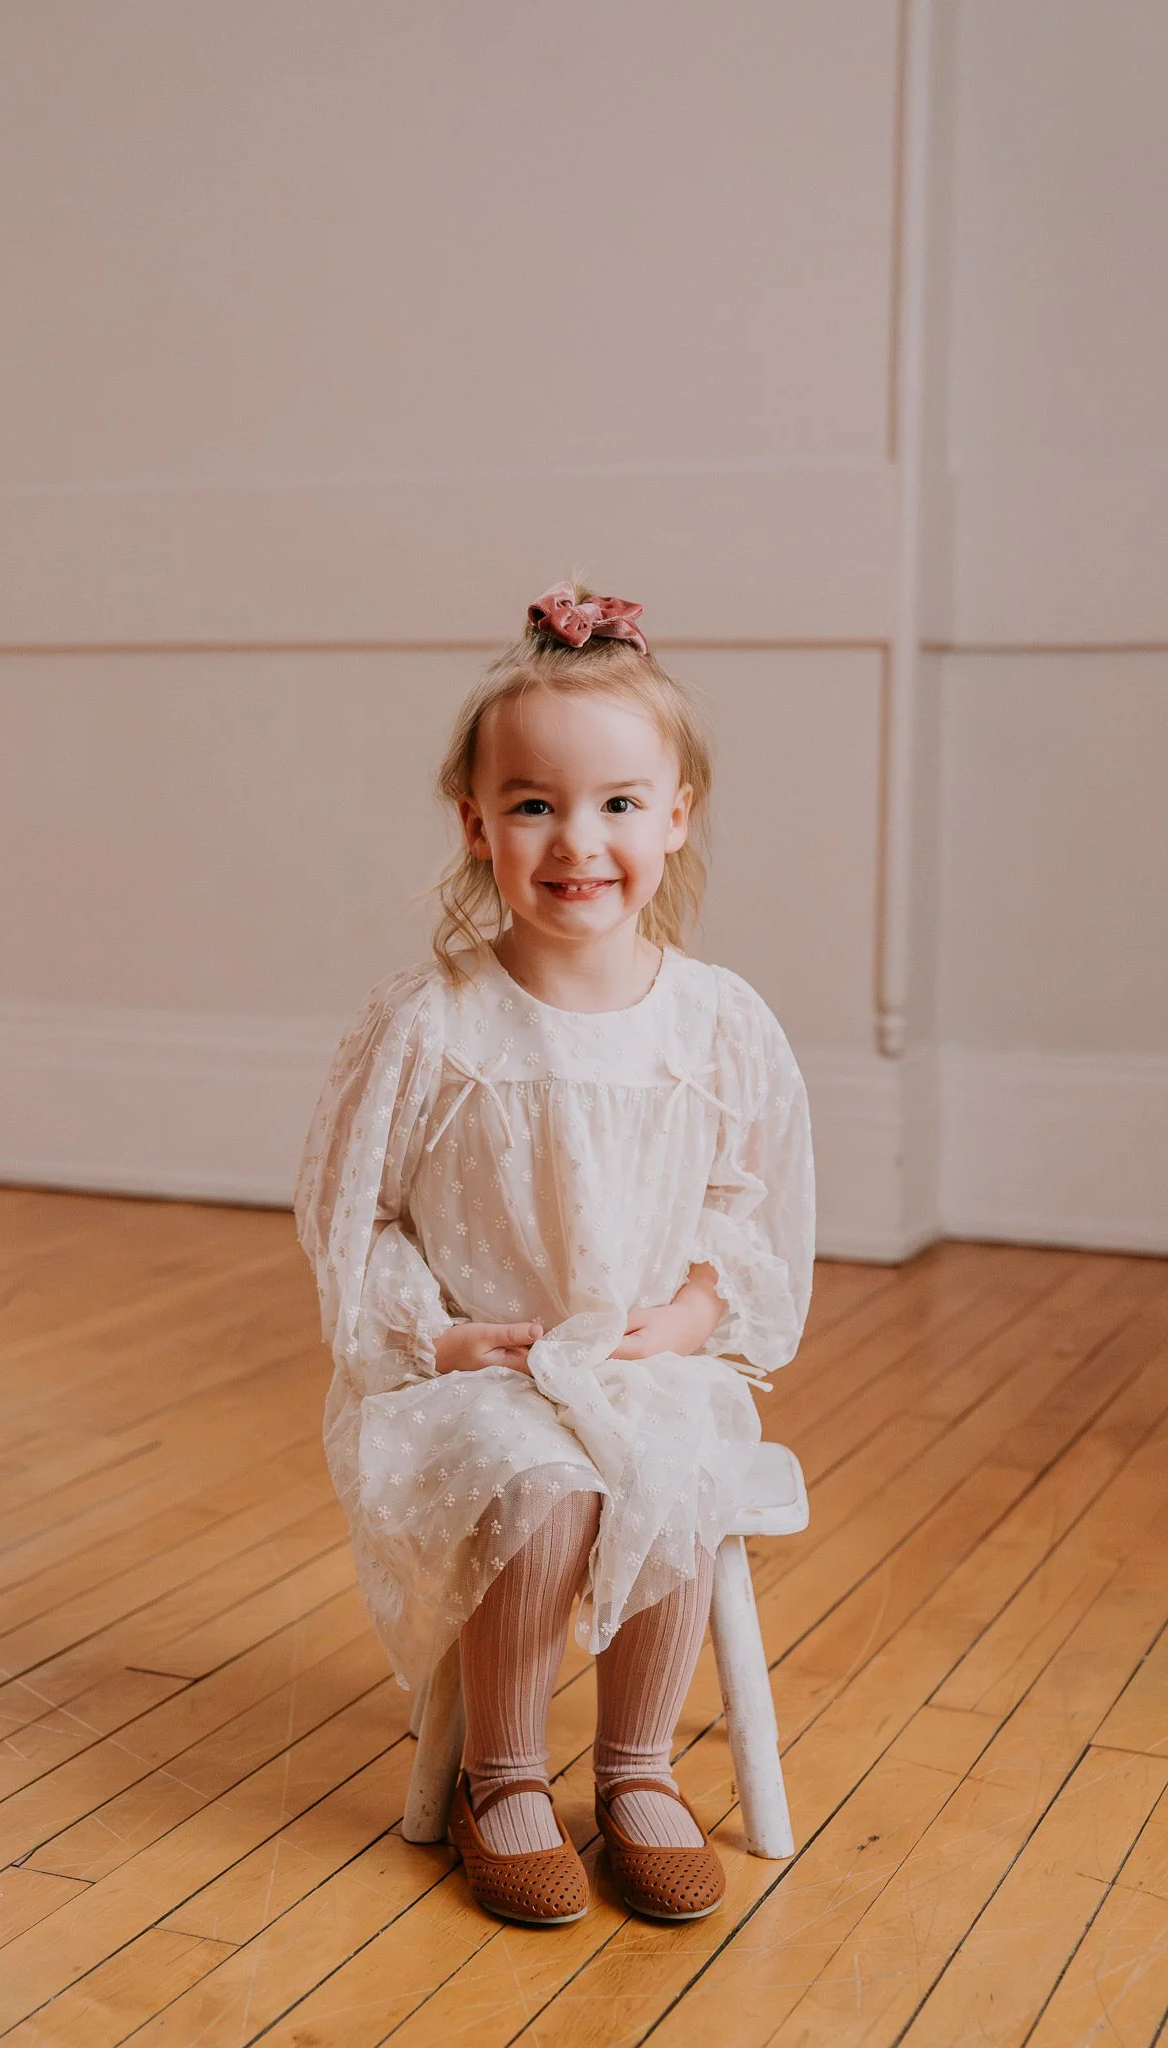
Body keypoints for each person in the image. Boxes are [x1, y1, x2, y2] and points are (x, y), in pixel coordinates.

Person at [296, 581, 814, 1926]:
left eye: (618, 804)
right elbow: (358, 1214)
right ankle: (506, 1778)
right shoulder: (436, 1025)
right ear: (476, 824)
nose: (578, 841)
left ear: (677, 814)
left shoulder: (714, 1023)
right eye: (533, 804)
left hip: (641, 1362)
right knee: (544, 1490)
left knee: (674, 1466)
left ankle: (638, 1770)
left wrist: (694, 1314)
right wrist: (435, 1336)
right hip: (481, 1370)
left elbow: (742, 1201)